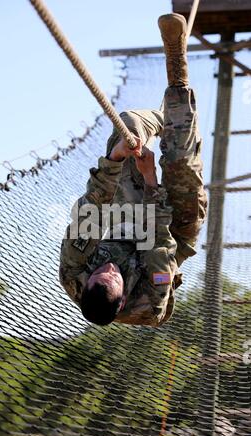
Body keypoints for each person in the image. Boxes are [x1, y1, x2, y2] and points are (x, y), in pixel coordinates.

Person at [59, 14, 207, 327]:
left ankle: (163, 119)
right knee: (180, 164)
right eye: (112, 277)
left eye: (100, 271)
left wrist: (115, 158)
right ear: (122, 297)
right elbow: (159, 241)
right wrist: (151, 177)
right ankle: (178, 73)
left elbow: (93, 206)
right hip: (171, 237)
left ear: (86, 282)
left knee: (128, 125)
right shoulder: (149, 299)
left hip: (123, 224)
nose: (109, 268)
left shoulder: (74, 268)